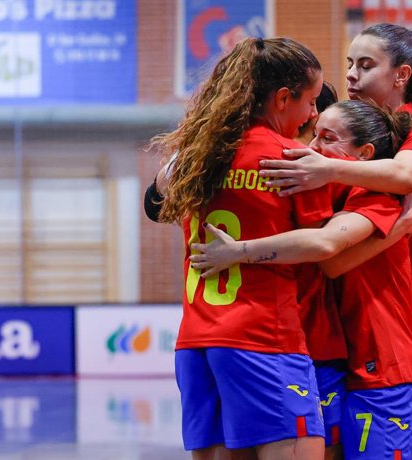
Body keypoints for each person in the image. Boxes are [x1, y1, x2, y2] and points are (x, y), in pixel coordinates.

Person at [253, 23, 412, 459]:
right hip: (364, 310)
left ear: (401, 76)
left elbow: (402, 180)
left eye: (366, 65)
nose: (353, 75)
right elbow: (397, 230)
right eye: (350, 65)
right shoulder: (353, 133)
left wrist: (324, 167)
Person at [190, 99, 412, 459]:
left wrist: (237, 251)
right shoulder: (320, 191)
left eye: (326, 138)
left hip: (380, 364)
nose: (312, 149)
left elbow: (328, 254)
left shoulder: (378, 196)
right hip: (324, 354)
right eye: (311, 135)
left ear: (364, 154)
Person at [146, 37, 345, 460]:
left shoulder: (197, 156)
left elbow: (155, 204)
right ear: (282, 98)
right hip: (263, 337)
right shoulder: (292, 159)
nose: (314, 114)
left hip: (196, 344)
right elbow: (324, 247)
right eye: (310, 102)